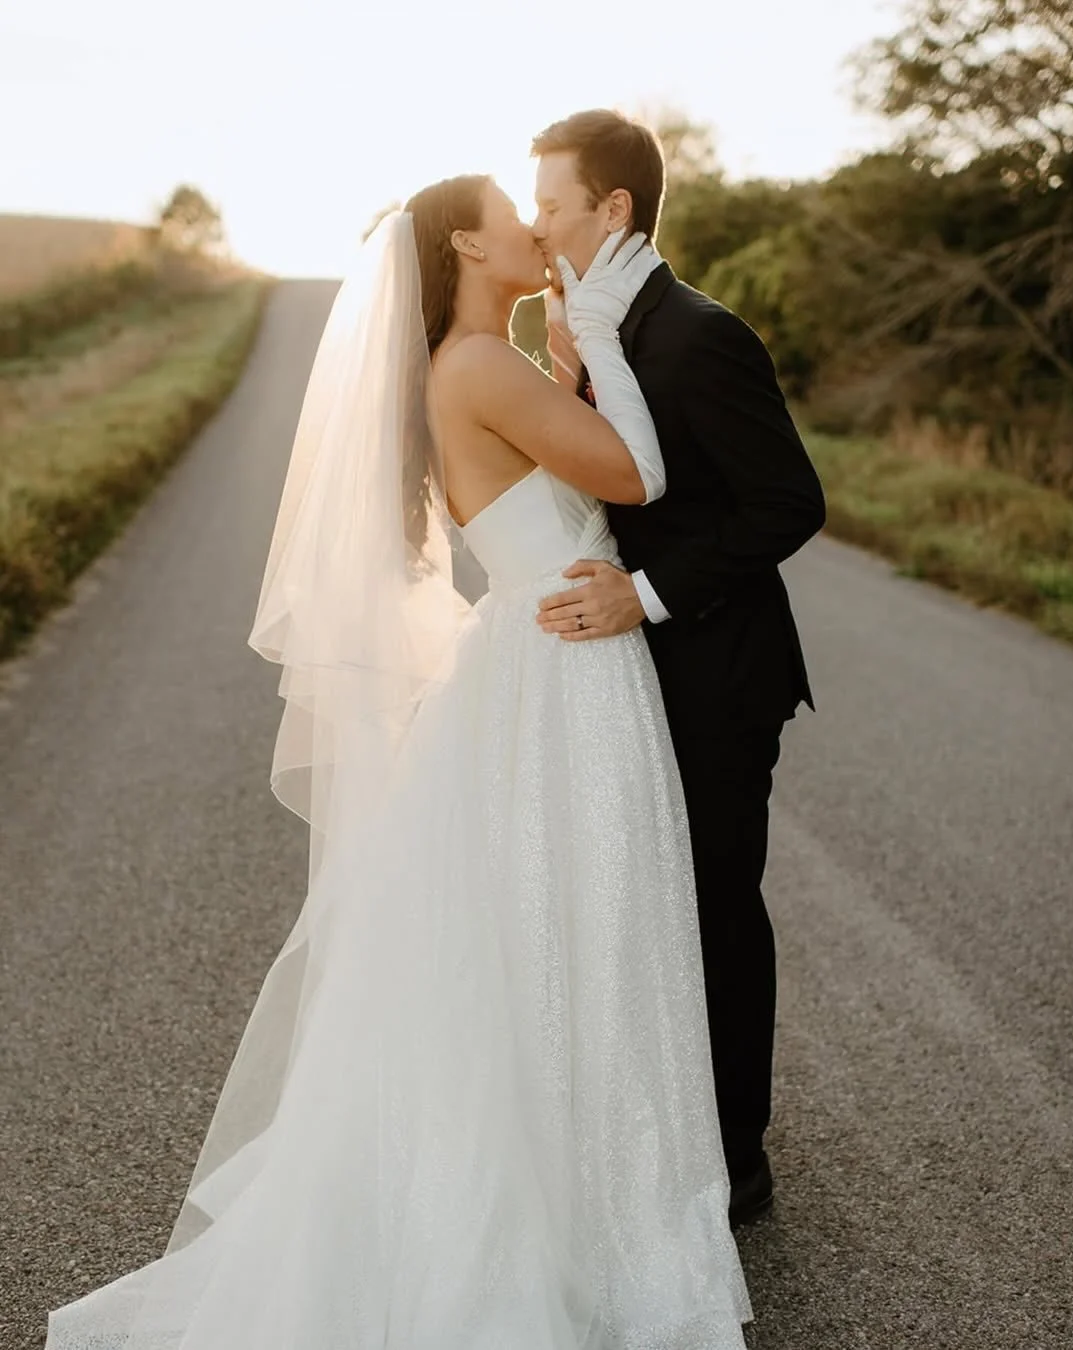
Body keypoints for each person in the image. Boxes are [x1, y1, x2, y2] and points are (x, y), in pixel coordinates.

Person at [44, 174, 753, 1347]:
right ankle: (568, 1212)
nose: (536, 227)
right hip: (562, 667)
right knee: (579, 923)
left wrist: (569, 359)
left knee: (546, 935)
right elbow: (634, 476)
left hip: (542, 653)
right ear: (463, 243)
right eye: (510, 212)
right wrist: (591, 334)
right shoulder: (476, 365)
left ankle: (570, 1184)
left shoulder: (478, 363)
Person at [531, 109, 827, 1224]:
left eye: (554, 204)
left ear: (614, 210)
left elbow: (791, 502)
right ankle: (674, 1120)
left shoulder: (699, 333)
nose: (537, 224)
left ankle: (739, 1159)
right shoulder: (598, 325)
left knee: (713, 902)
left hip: (719, 667)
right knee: (651, 901)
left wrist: (645, 596)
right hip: (637, 672)